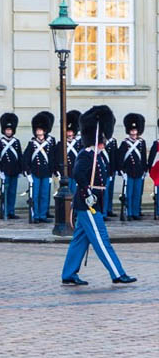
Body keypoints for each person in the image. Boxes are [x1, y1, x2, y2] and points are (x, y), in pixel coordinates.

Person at [61, 105, 137, 286]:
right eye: (101, 138)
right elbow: (78, 175)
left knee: (80, 240)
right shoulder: (86, 155)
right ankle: (117, 273)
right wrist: (87, 192)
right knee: (102, 240)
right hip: (89, 204)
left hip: (94, 202)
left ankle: (69, 273)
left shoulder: (98, 156)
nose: (103, 142)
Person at [23, 112, 56, 223]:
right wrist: (27, 173)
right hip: (35, 173)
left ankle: (42, 215)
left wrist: (53, 172)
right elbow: (25, 159)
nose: (38, 132)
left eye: (40, 130)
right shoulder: (32, 144)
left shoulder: (49, 144)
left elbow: (52, 159)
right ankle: (36, 215)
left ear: (44, 131)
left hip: (46, 173)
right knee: (35, 196)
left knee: (44, 196)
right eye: (37, 130)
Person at [0, 113, 22, 220]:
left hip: (14, 171)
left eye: (10, 130)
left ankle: (11, 211)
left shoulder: (16, 142)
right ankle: (3, 211)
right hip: (5, 171)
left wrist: (20, 170)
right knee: (5, 193)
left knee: (13, 192)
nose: (8, 131)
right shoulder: (0, 142)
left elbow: (19, 156)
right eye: (7, 130)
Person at [118, 113, 147, 221]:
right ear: (129, 131)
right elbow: (120, 158)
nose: (134, 132)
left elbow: (143, 157)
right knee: (129, 194)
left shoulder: (141, 142)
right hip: (129, 171)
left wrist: (145, 169)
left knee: (137, 193)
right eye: (132, 130)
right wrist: (121, 171)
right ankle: (129, 212)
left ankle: (135, 212)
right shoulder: (125, 143)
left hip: (139, 171)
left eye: (135, 130)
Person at [65, 110, 82, 192]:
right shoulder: (62, 144)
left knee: (75, 192)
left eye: (71, 132)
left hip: (76, 170)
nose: (69, 134)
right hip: (66, 171)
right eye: (68, 132)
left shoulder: (79, 143)